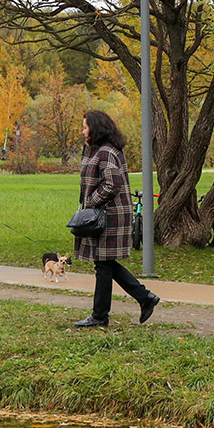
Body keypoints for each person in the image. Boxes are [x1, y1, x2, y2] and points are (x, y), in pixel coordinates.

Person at [74, 111, 160, 328]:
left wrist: (91, 202)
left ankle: (100, 316)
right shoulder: (99, 149)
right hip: (107, 212)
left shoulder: (106, 152)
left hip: (109, 214)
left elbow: (112, 184)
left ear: (96, 129)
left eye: (85, 127)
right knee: (104, 262)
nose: (82, 131)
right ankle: (143, 297)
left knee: (103, 264)